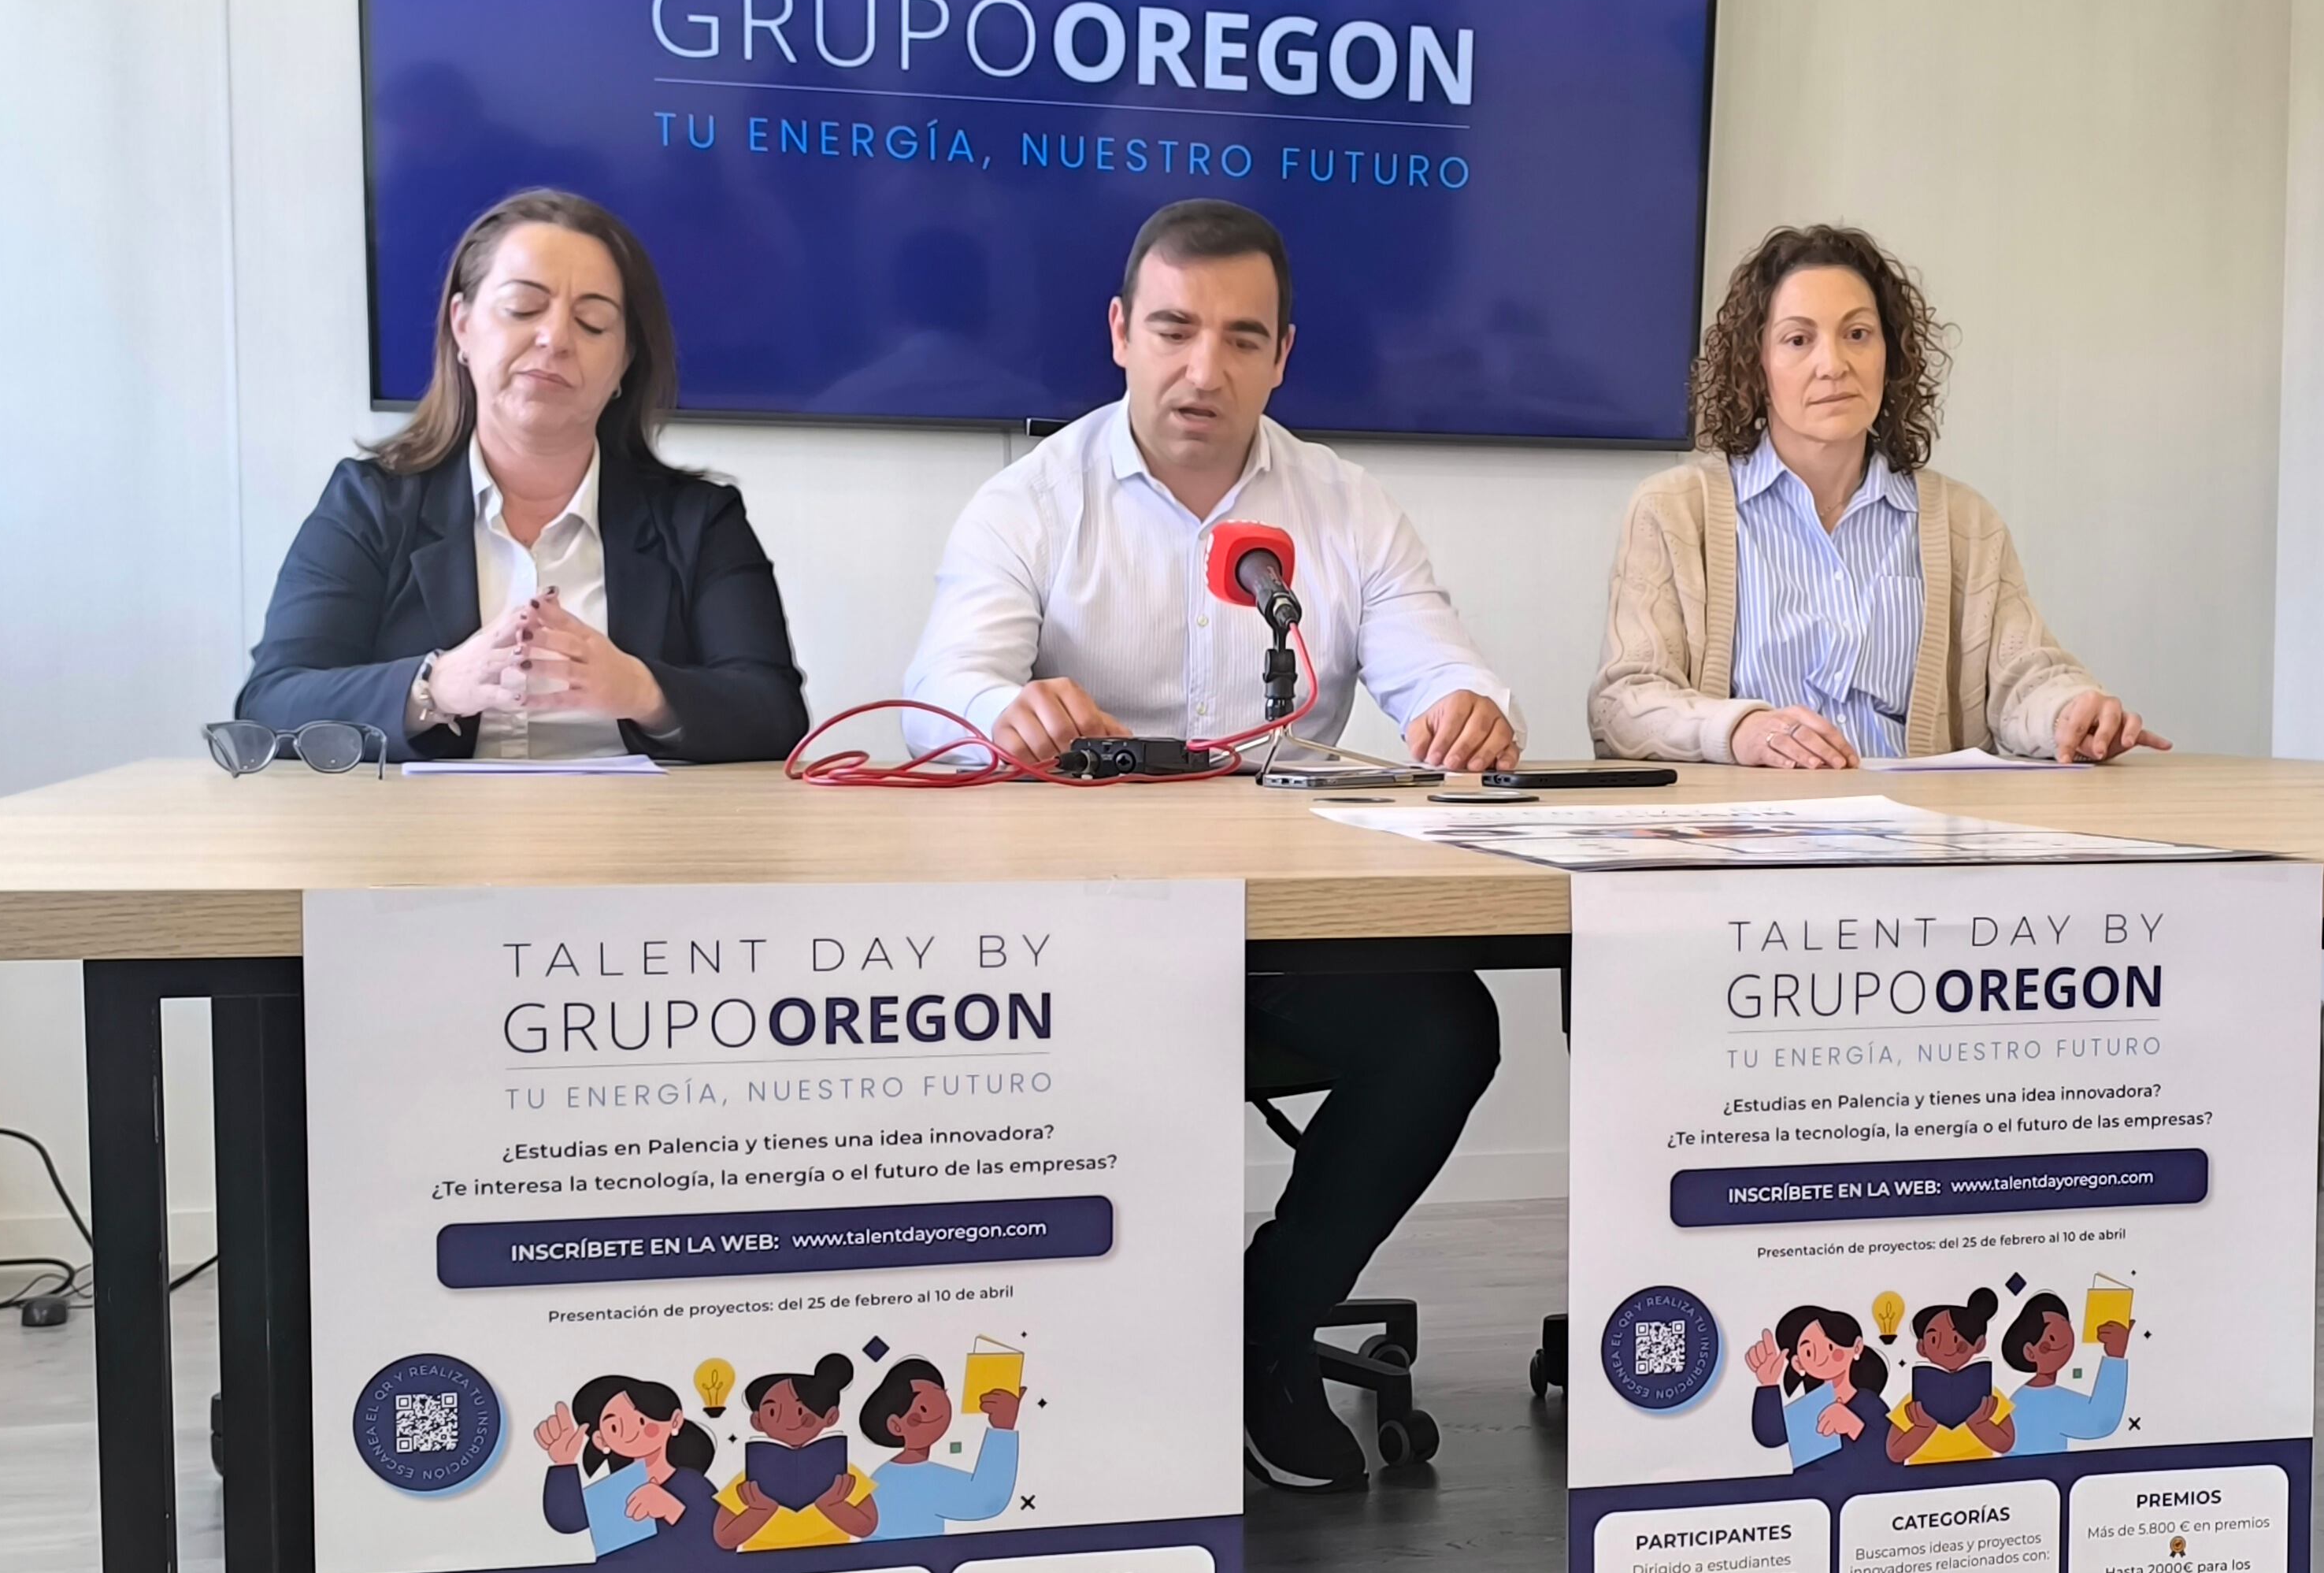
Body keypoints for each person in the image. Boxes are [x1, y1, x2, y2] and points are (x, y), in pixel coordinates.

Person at [902, 199, 1516, 1492]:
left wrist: (1468, 708)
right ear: (1122, 333)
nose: (1204, 369)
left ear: (1284, 356)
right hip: (1085, 949)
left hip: (1287, 942)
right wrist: (996, 712)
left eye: (1243, 340)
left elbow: (1439, 668)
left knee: (1448, 1028)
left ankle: (1262, 1331)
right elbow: (941, 692)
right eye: (1174, 330)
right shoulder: (1030, 504)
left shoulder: (1346, 509)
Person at [239, 188, 807, 762]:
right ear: (462, 327)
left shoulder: (700, 520)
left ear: (624, 365)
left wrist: (639, 690)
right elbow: (272, 703)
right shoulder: (370, 503)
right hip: (425, 843)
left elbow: (775, 712)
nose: (555, 339)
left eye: (591, 322)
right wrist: (437, 686)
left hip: (640, 843)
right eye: (523, 309)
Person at [1590, 223, 2163, 767]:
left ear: (1890, 356)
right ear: (1756, 364)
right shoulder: (1673, 511)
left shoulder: (1964, 522)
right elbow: (1623, 704)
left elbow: (2026, 676)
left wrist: (2071, 713)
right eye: (1798, 339)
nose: (1833, 365)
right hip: (1748, 840)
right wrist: (1739, 730)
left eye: (1858, 334)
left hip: (1917, 840)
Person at [533, 1373, 717, 1558]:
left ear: (675, 1421)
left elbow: (718, 1540)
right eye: (615, 1427)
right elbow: (568, 1518)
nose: (631, 1433)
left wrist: (671, 1509)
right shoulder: (618, 1489)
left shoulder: (691, 1483)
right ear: (601, 1441)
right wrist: (564, 1464)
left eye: (642, 1421)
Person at [711, 1355, 880, 1548]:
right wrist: (758, 1511)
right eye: (773, 1412)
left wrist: (834, 1505)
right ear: (757, 1421)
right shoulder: (750, 1480)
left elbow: (868, 1525)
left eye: (802, 1412)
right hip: (762, 1564)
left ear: (830, 1417)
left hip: (833, 1559)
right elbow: (724, 1538)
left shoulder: (842, 1474)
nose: (791, 1422)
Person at [857, 1356, 1023, 1534]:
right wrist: (1003, 1428)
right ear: (897, 1426)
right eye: (924, 1409)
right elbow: (985, 1500)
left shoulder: (888, 1474)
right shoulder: (913, 1477)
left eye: (943, 1394)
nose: (943, 1408)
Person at [1744, 1303, 1891, 1483]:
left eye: (1831, 1347)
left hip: (1860, 1495)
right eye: (1809, 1352)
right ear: (1799, 1364)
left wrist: (1854, 1427)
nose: (1823, 1357)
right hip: (1810, 1496)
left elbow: (1890, 1454)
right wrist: (1768, 1385)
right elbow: (1771, 1435)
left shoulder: (1869, 1403)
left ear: (1857, 1347)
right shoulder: (1811, 1407)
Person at [1886, 1289, 2017, 1465]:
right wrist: (1922, 1428)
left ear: (1979, 1345)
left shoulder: (1987, 1396)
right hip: (1923, 1478)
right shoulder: (1915, 1401)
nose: (1947, 1348)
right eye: (1934, 1340)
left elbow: (2006, 1443)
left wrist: (1980, 1423)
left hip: (1980, 1474)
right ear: (1922, 1348)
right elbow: (1895, 1452)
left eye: (1957, 1340)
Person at [2001, 1290, 2131, 1452]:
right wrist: (2115, 1356)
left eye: (2067, 1326)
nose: (2067, 1340)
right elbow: (2100, 1421)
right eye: (2053, 1338)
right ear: (2030, 1352)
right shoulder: (2040, 1399)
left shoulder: (2027, 1396)